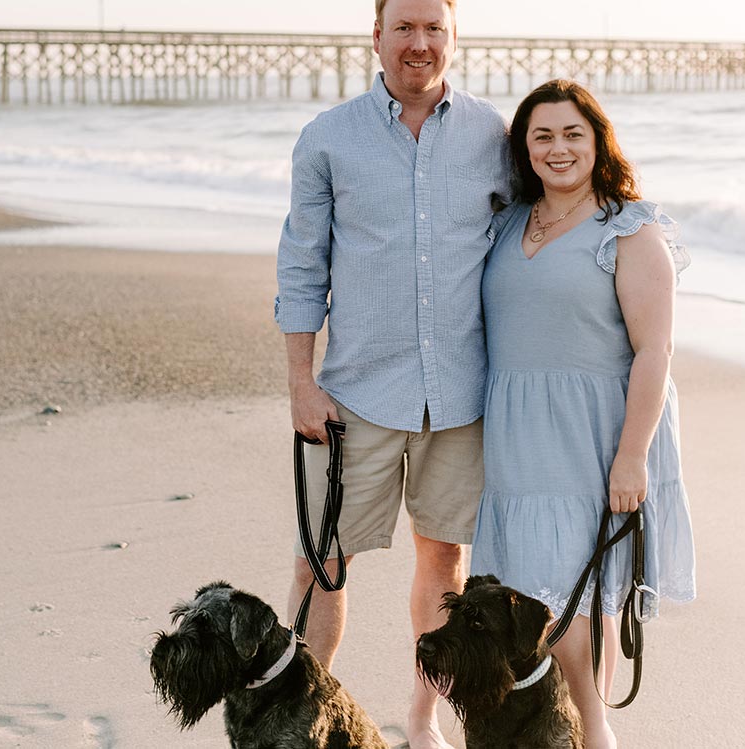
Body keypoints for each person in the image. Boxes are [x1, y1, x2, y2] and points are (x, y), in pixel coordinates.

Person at [274, 0, 511, 745]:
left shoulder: (494, 136)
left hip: (461, 394)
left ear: (452, 37)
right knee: (322, 561)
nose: (419, 43)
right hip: (355, 395)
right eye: (404, 28)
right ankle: (298, 716)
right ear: (374, 36)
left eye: (433, 28)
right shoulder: (328, 138)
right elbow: (301, 264)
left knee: (444, 560)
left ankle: (421, 716)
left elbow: (533, 236)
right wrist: (300, 383)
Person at [469, 79, 696, 749]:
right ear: (524, 148)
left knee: (577, 602)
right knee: (532, 602)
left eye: (573, 133)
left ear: (598, 141)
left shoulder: (628, 226)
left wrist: (631, 456)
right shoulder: (509, 221)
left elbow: (656, 350)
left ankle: (595, 734)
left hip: (593, 437)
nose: (558, 147)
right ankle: (562, 732)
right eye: (542, 135)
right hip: (516, 439)